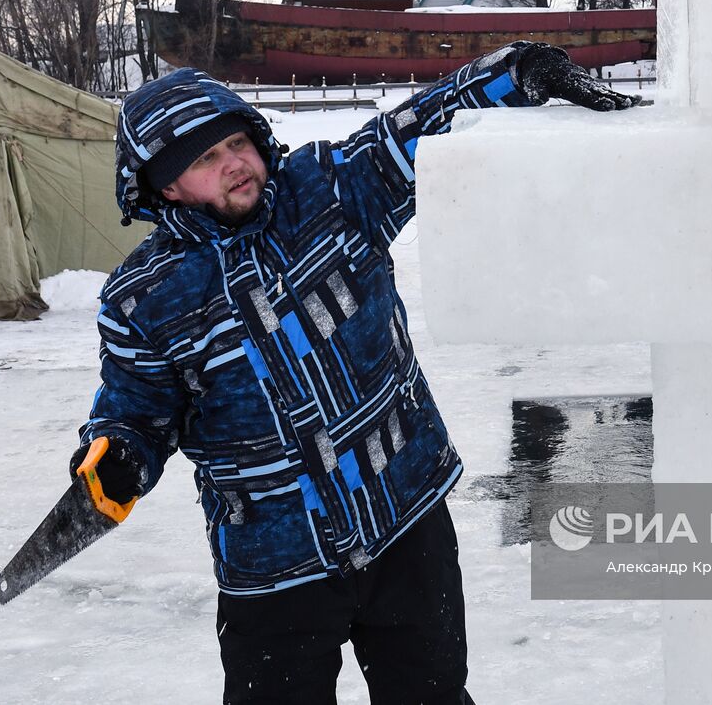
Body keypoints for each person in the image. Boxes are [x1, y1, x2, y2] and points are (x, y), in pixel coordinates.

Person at [70, 42, 639, 704]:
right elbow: (136, 409)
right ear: (164, 185)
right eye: (204, 159)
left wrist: (520, 72)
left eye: (236, 143)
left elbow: (423, 125)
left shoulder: (329, 190)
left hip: (404, 521)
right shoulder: (143, 297)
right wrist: (118, 454)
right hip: (272, 564)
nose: (233, 164)